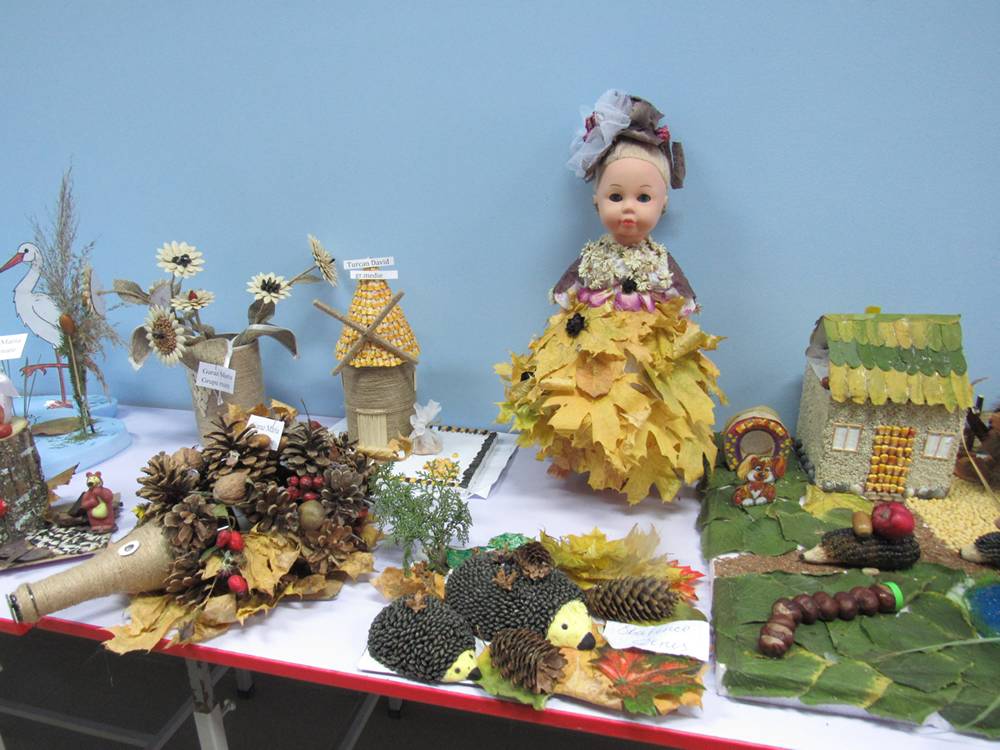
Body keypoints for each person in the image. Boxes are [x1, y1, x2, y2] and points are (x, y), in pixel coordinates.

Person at [496, 90, 725, 504]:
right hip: (594, 340)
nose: (628, 209)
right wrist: (566, 301)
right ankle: (595, 460)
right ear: (596, 201)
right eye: (616, 197)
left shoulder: (659, 259)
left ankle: (635, 464)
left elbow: (680, 292)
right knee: (592, 398)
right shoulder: (594, 254)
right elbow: (570, 283)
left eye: (643, 197)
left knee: (643, 399)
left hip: (647, 344)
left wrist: (682, 314)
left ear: (663, 204)